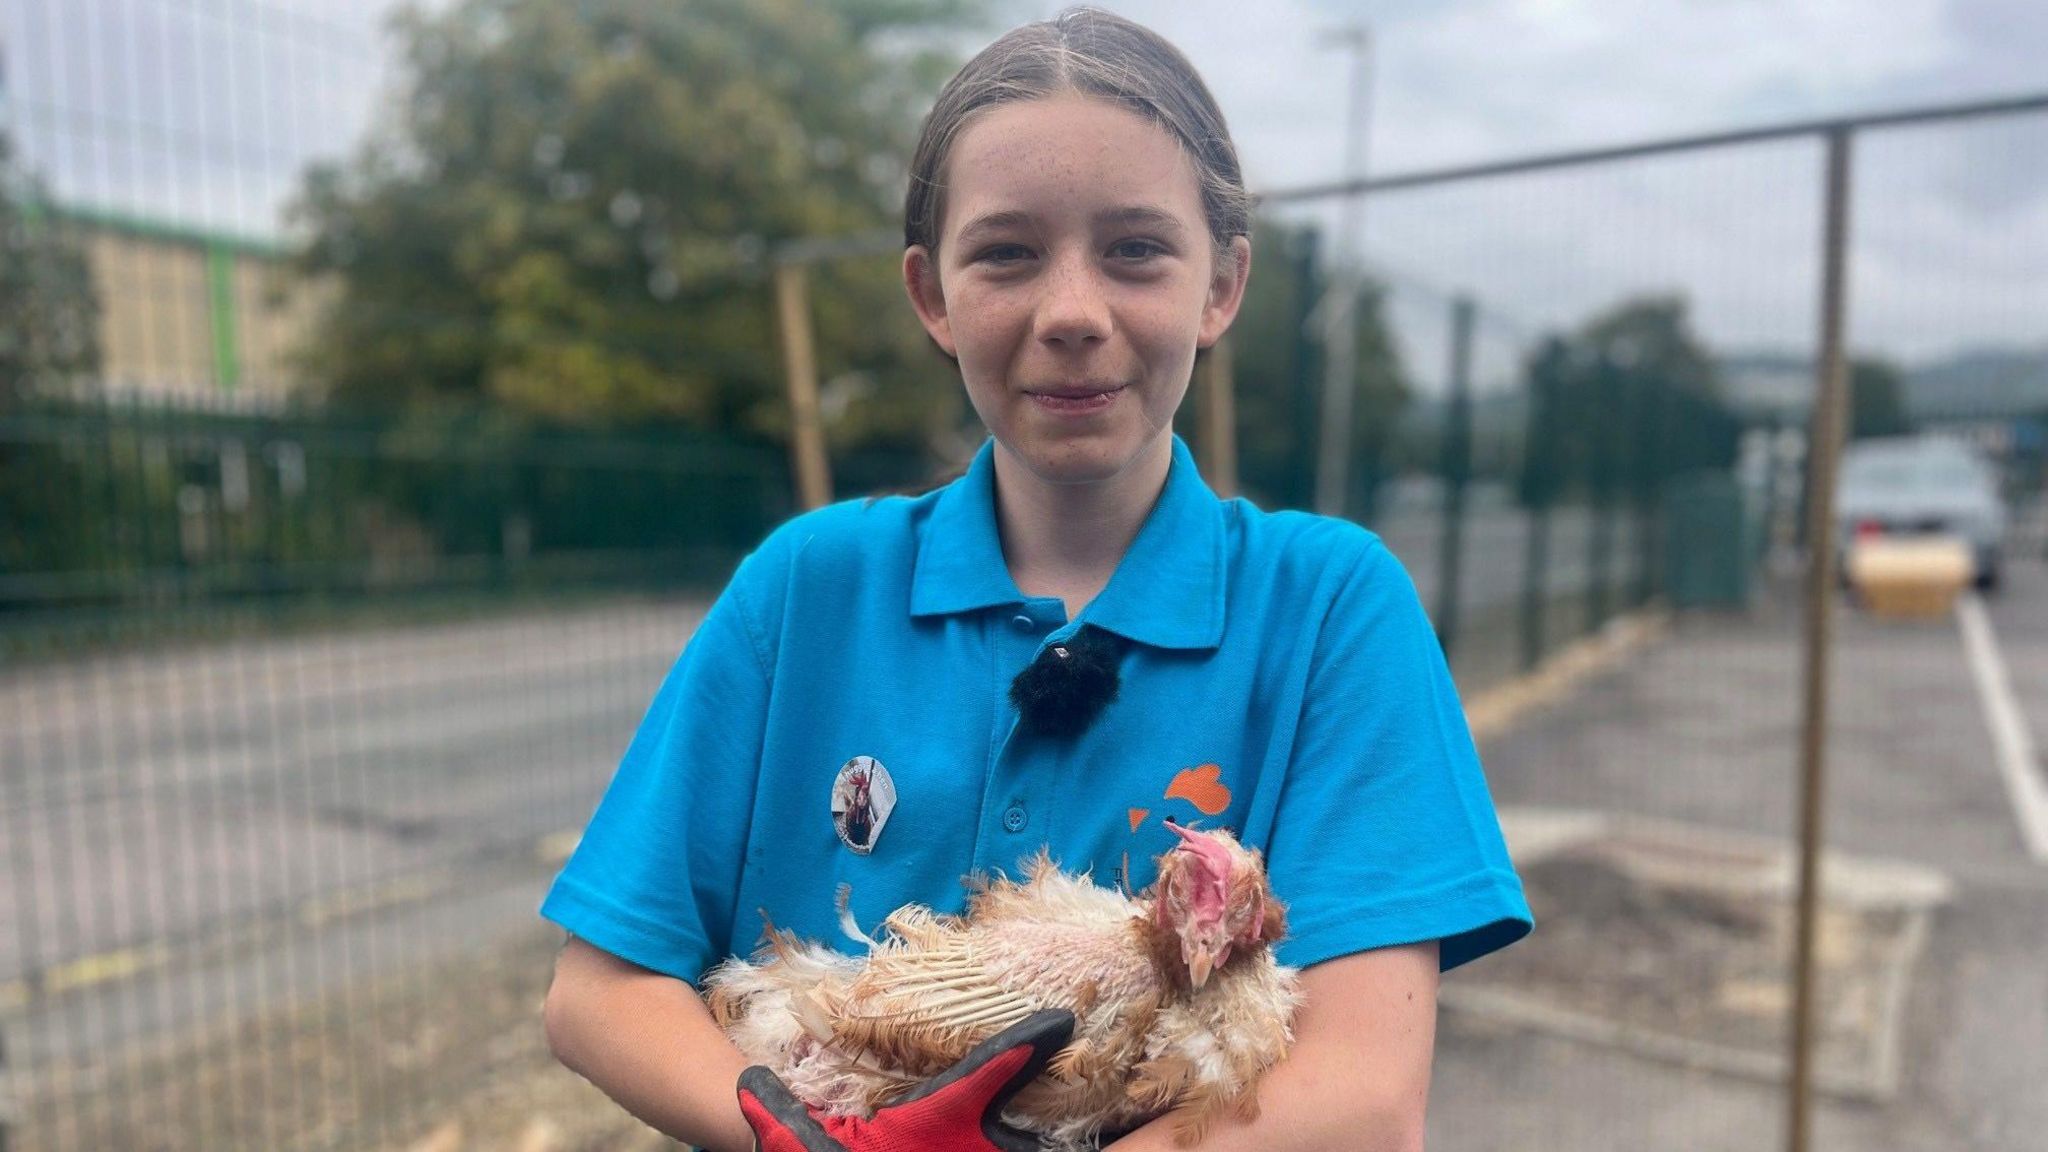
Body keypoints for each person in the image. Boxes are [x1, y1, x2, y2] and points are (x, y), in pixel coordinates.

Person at [540, 8, 1532, 1151]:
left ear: (1220, 287)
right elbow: (599, 990)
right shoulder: (806, 591)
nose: (1070, 314)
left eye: (1135, 250)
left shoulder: (1329, 609)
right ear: (931, 295)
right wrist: (808, 1143)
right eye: (1006, 253)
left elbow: (1358, 1098)